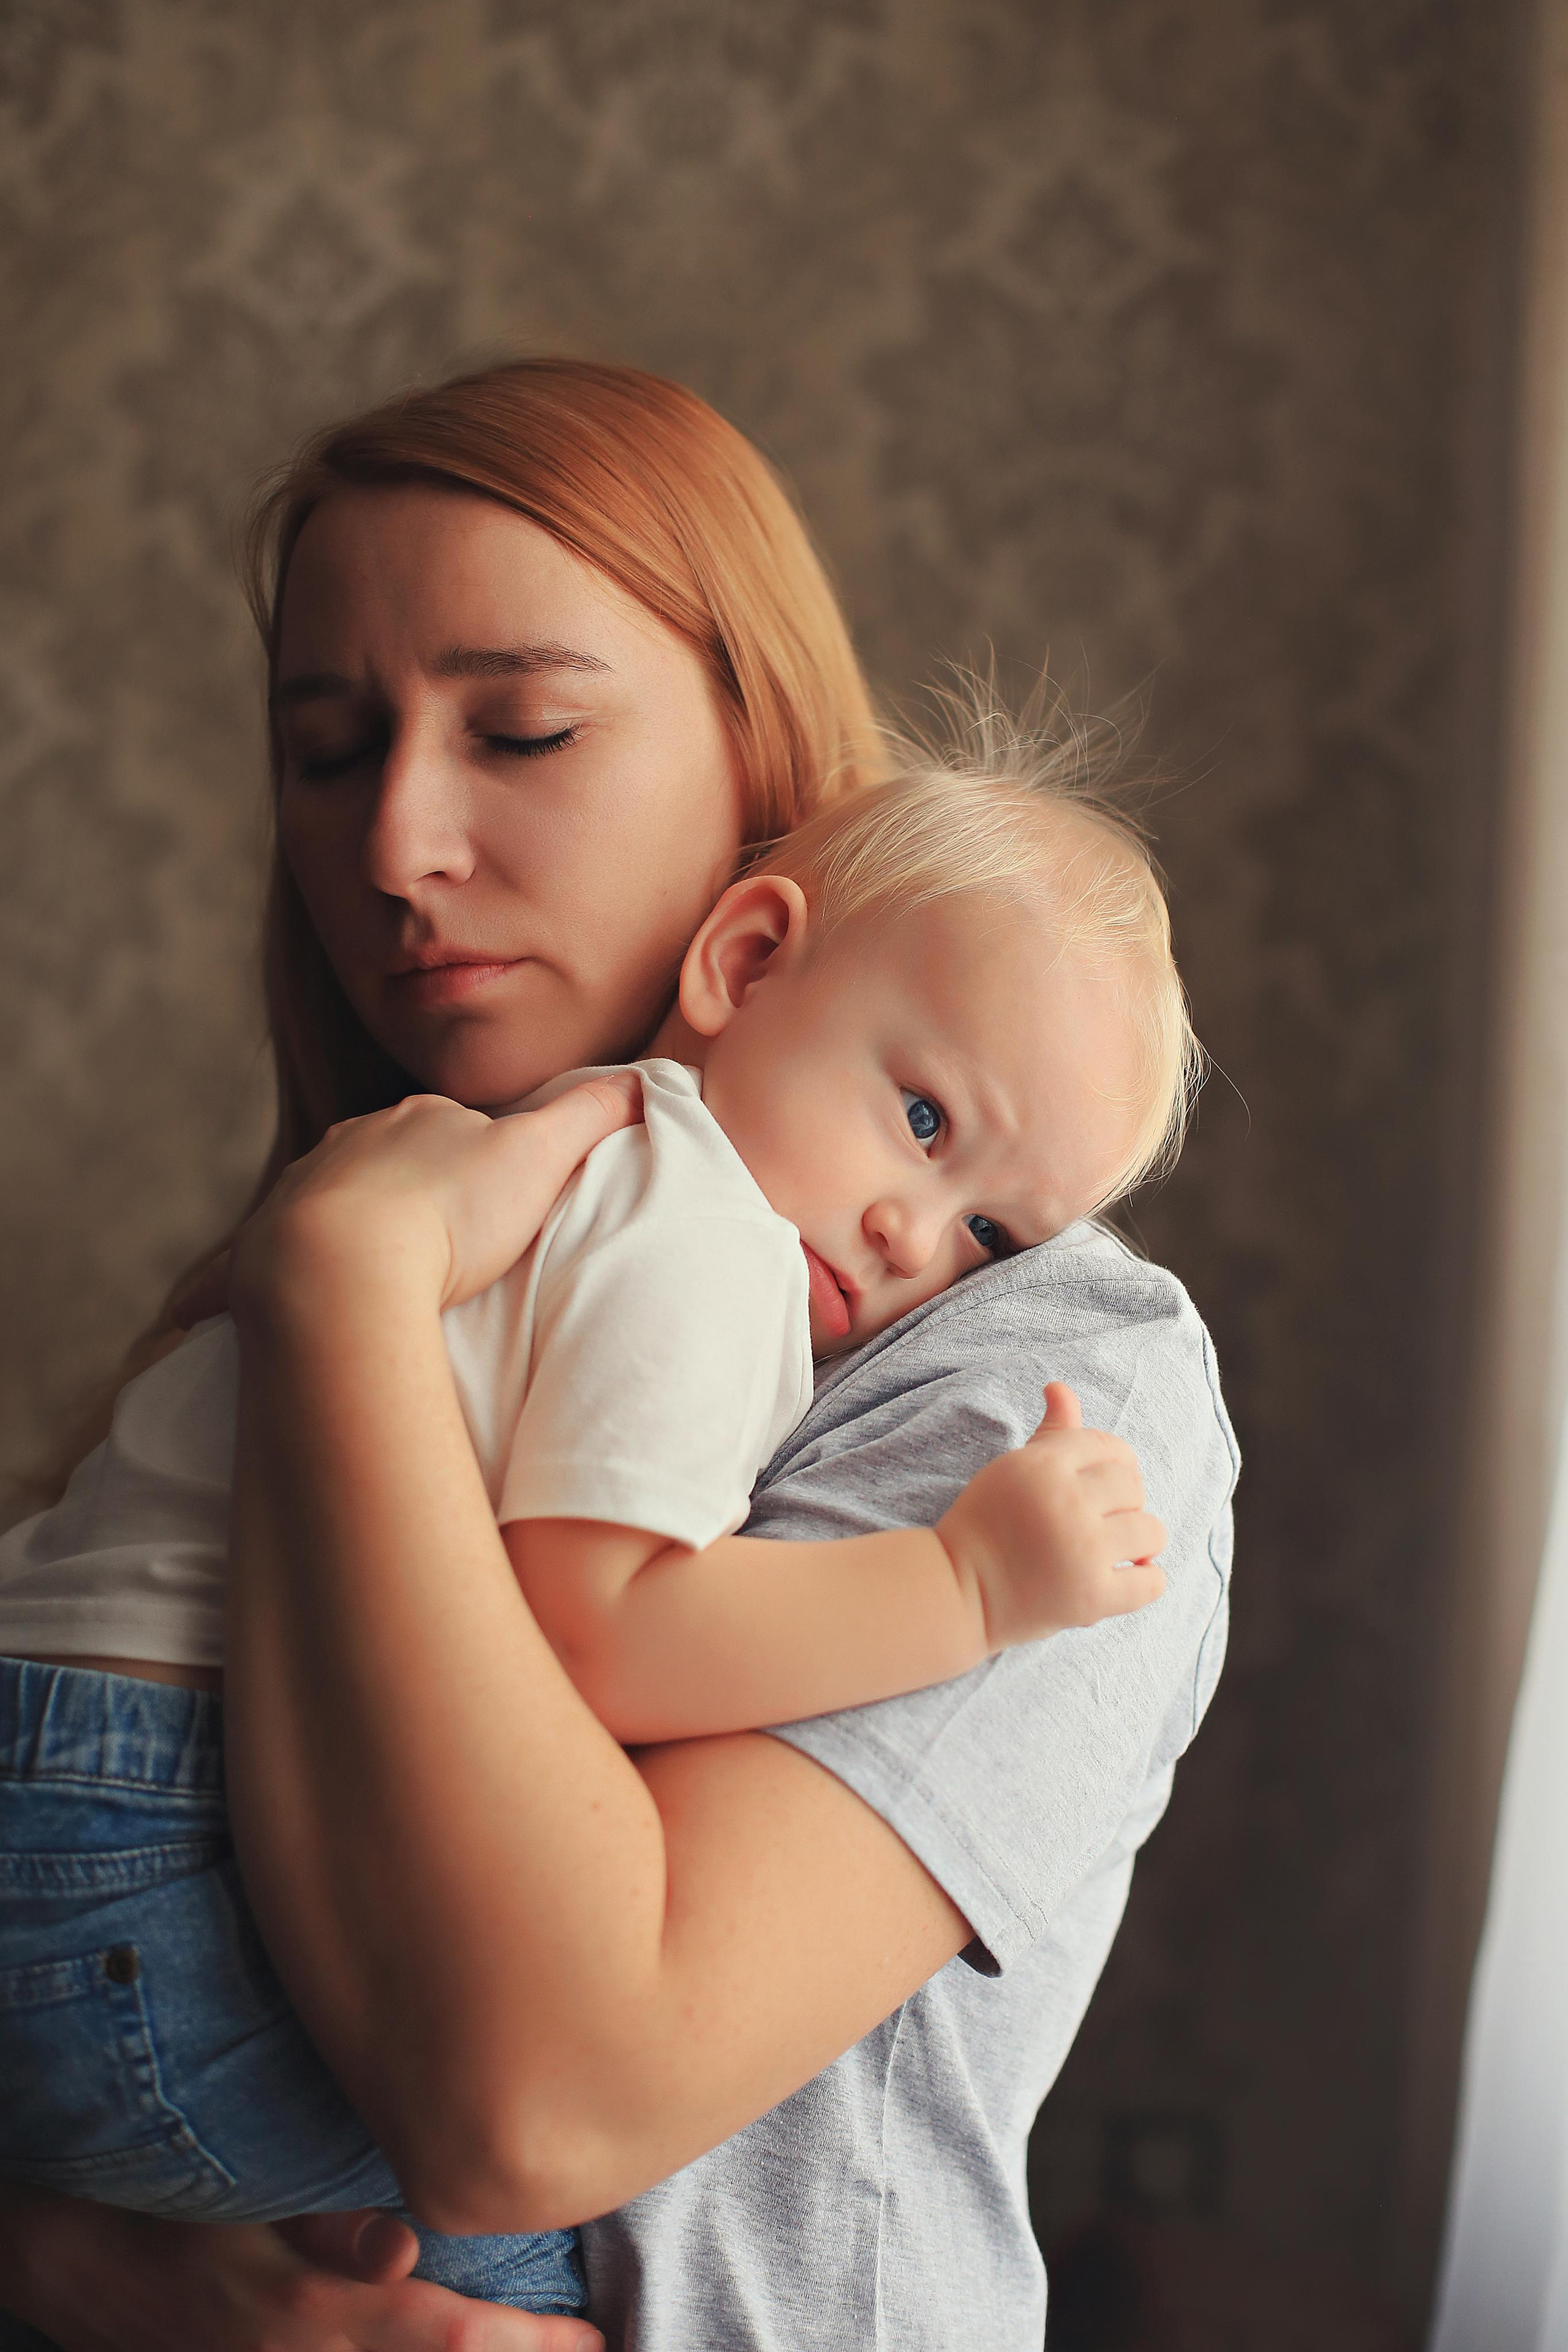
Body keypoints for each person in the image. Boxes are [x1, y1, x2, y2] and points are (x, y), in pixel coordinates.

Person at [0, 358, 1238, 2352]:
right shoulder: (467, 1225)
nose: (399, 844)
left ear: (758, 794)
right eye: (327, 750)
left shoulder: (1038, 1373)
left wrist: (336, 1294)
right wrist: (102, 2278)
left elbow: (531, 2102)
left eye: (525, 729)